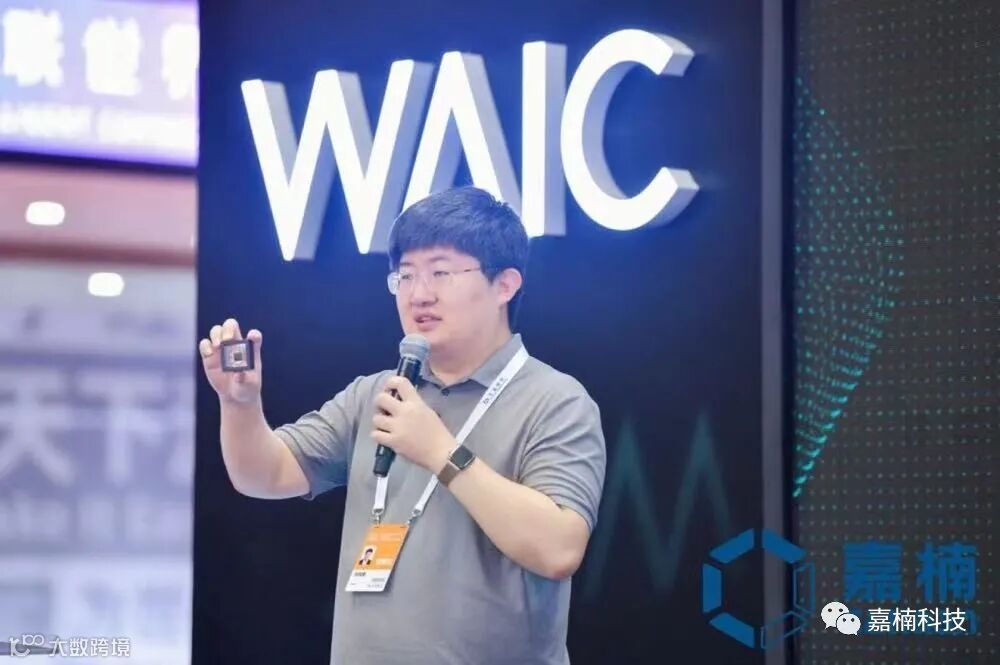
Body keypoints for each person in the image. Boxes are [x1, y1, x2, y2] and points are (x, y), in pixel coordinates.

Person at [199, 186, 606, 664]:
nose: (419, 294)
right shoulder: (377, 392)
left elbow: (558, 549)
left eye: (441, 273)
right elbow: (263, 476)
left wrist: (440, 451)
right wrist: (240, 404)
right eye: (406, 275)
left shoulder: (556, 400)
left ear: (505, 285)